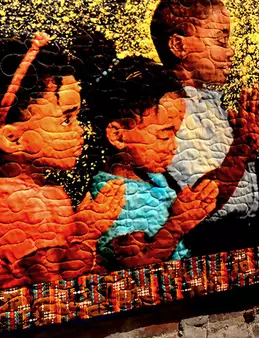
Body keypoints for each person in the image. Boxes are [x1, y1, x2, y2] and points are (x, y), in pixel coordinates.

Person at [0, 33, 125, 292]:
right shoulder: (9, 200)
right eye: (66, 119)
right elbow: (48, 282)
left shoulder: (47, 189)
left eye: (77, 118)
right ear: (12, 139)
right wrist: (87, 231)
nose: (81, 130)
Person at [149, 0, 259, 254]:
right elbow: (204, 197)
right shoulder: (171, 110)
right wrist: (243, 145)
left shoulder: (209, 101)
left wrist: (249, 146)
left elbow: (229, 171)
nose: (231, 51)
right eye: (221, 41)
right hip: (206, 240)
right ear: (179, 46)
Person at [87, 56, 218, 268]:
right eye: (164, 135)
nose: (174, 145)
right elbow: (135, 265)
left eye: (175, 134)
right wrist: (178, 224)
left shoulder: (150, 175)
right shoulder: (112, 196)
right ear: (118, 136)